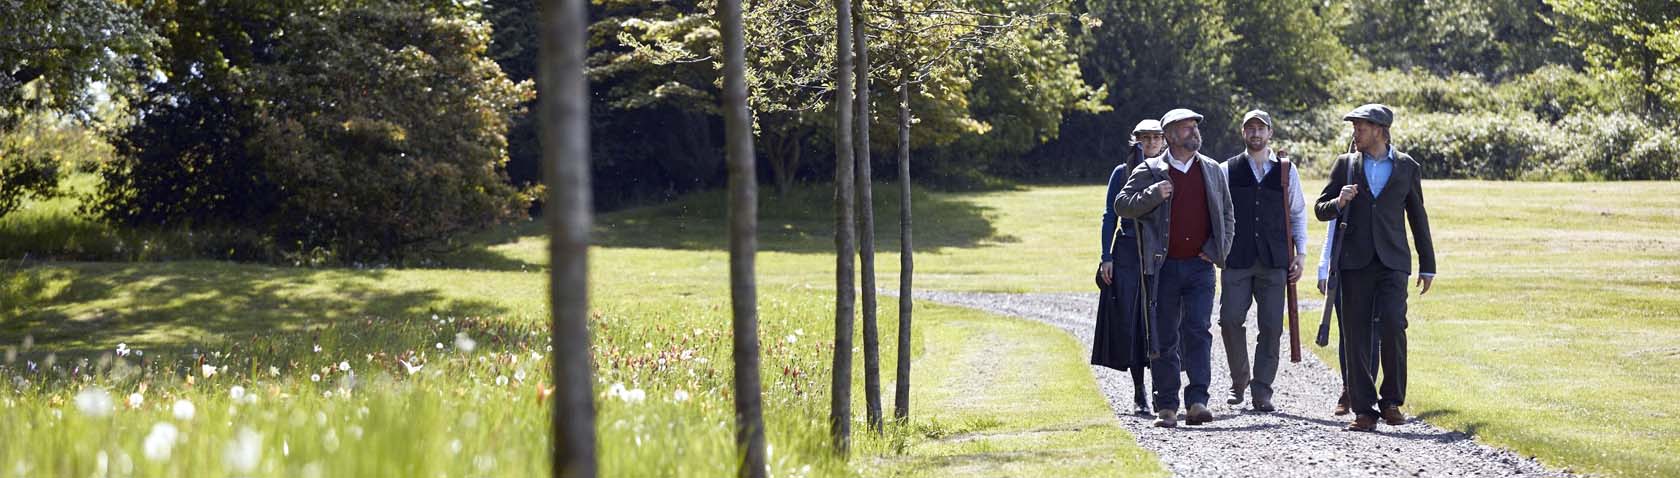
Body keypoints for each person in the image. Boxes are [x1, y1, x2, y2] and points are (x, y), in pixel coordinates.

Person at [1313, 104, 1436, 432]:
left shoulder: (1407, 167)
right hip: (1354, 263)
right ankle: (1364, 410)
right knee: (1355, 334)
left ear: (1381, 130)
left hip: (1393, 262)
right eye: (1354, 127)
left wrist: (1428, 264)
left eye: (1362, 127)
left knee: (1394, 324)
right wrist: (1339, 201)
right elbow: (1320, 210)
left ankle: (1392, 401)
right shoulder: (1345, 165)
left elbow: (1418, 217)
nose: (1356, 132)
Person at [1114, 108, 1235, 428]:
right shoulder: (1150, 169)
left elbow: (1227, 216)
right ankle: (1166, 407)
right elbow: (1122, 205)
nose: (1194, 132)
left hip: (1200, 267)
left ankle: (1197, 402)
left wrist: (1217, 250)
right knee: (1164, 336)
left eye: (1195, 127)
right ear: (1169, 135)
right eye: (1186, 128)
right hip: (1162, 267)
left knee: (1198, 331)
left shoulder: (1211, 169)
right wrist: (1154, 194)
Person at [1216, 110, 1307, 412]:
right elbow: (1217, 213)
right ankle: (1239, 380)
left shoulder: (1285, 170)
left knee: (1271, 326)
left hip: (1274, 259)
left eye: (1260, 128)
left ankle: (1262, 389)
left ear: (1270, 132)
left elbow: (1297, 213)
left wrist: (1301, 254)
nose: (1255, 134)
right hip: (1236, 257)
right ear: (1243, 133)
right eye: (1249, 129)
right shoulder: (1227, 169)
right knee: (1229, 319)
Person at [1093, 119, 1167, 415]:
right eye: (1144, 138)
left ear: (1163, 140)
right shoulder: (1121, 172)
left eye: (1154, 137)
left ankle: (1165, 390)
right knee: (1134, 320)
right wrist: (1105, 256)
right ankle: (1140, 390)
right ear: (1134, 140)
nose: (1149, 143)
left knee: (1163, 318)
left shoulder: (1170, 169)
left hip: (1160, 251)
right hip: (1127, 251)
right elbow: (1110, 215)